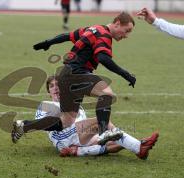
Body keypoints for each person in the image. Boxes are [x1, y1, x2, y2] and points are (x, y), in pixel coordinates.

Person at [33, 12, 136, 140]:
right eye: (127, 31)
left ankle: (24, 125)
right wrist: (126, 75)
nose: (126, 35)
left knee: (66, 121)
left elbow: (68, 36)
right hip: (77, 73)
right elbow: (103, 58)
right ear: (117, 23)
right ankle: (104, 132)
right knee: (107, 94)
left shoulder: (93, 29)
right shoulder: (104, 34)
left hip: (65, 74)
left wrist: (48, 42)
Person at [13, 76, 159, 159]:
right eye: (51, 86)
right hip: (64, 139)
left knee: (115, 144)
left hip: (78, 137)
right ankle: (139, 146)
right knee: (103, 122)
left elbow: (83, 125)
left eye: (58, 85)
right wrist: (27, 125)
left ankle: (138, 145)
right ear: (48, 91)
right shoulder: (46, 104)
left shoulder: (78, 107)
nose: (55, 88)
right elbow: (44, 125)